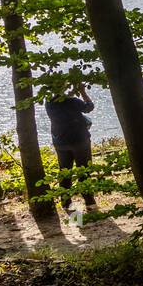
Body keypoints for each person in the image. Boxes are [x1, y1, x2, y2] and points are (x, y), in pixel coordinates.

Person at [45, 82, 97, 212]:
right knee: (83, 170)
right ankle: (89, 202)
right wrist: (83, 92)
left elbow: (63, 100)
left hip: (61, 142)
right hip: (80, 141)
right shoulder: (73, 102)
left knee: (64, 171)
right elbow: (89, 107)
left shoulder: (49, 103)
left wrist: (73, 91)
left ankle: (66, 202)